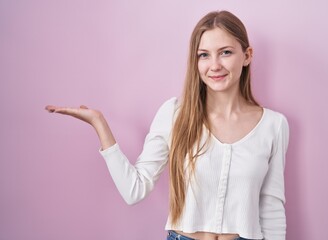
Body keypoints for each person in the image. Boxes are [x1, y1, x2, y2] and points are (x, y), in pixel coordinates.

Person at [46, 10, 289, 240]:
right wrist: (99, 124)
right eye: (203, 55)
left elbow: (271, 207)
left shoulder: (273, 125)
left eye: (225, 52)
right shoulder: (174, 114)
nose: (214, 65)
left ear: (247, 56)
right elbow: (134, 190)